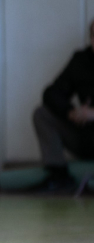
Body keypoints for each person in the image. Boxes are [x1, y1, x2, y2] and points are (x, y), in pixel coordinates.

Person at [33, 19, 94, 192]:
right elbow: (52, 93)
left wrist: (92, 114)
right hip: (86, 137)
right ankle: (58, 175)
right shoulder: (81, 60)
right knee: (42, 114)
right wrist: (71, 112)